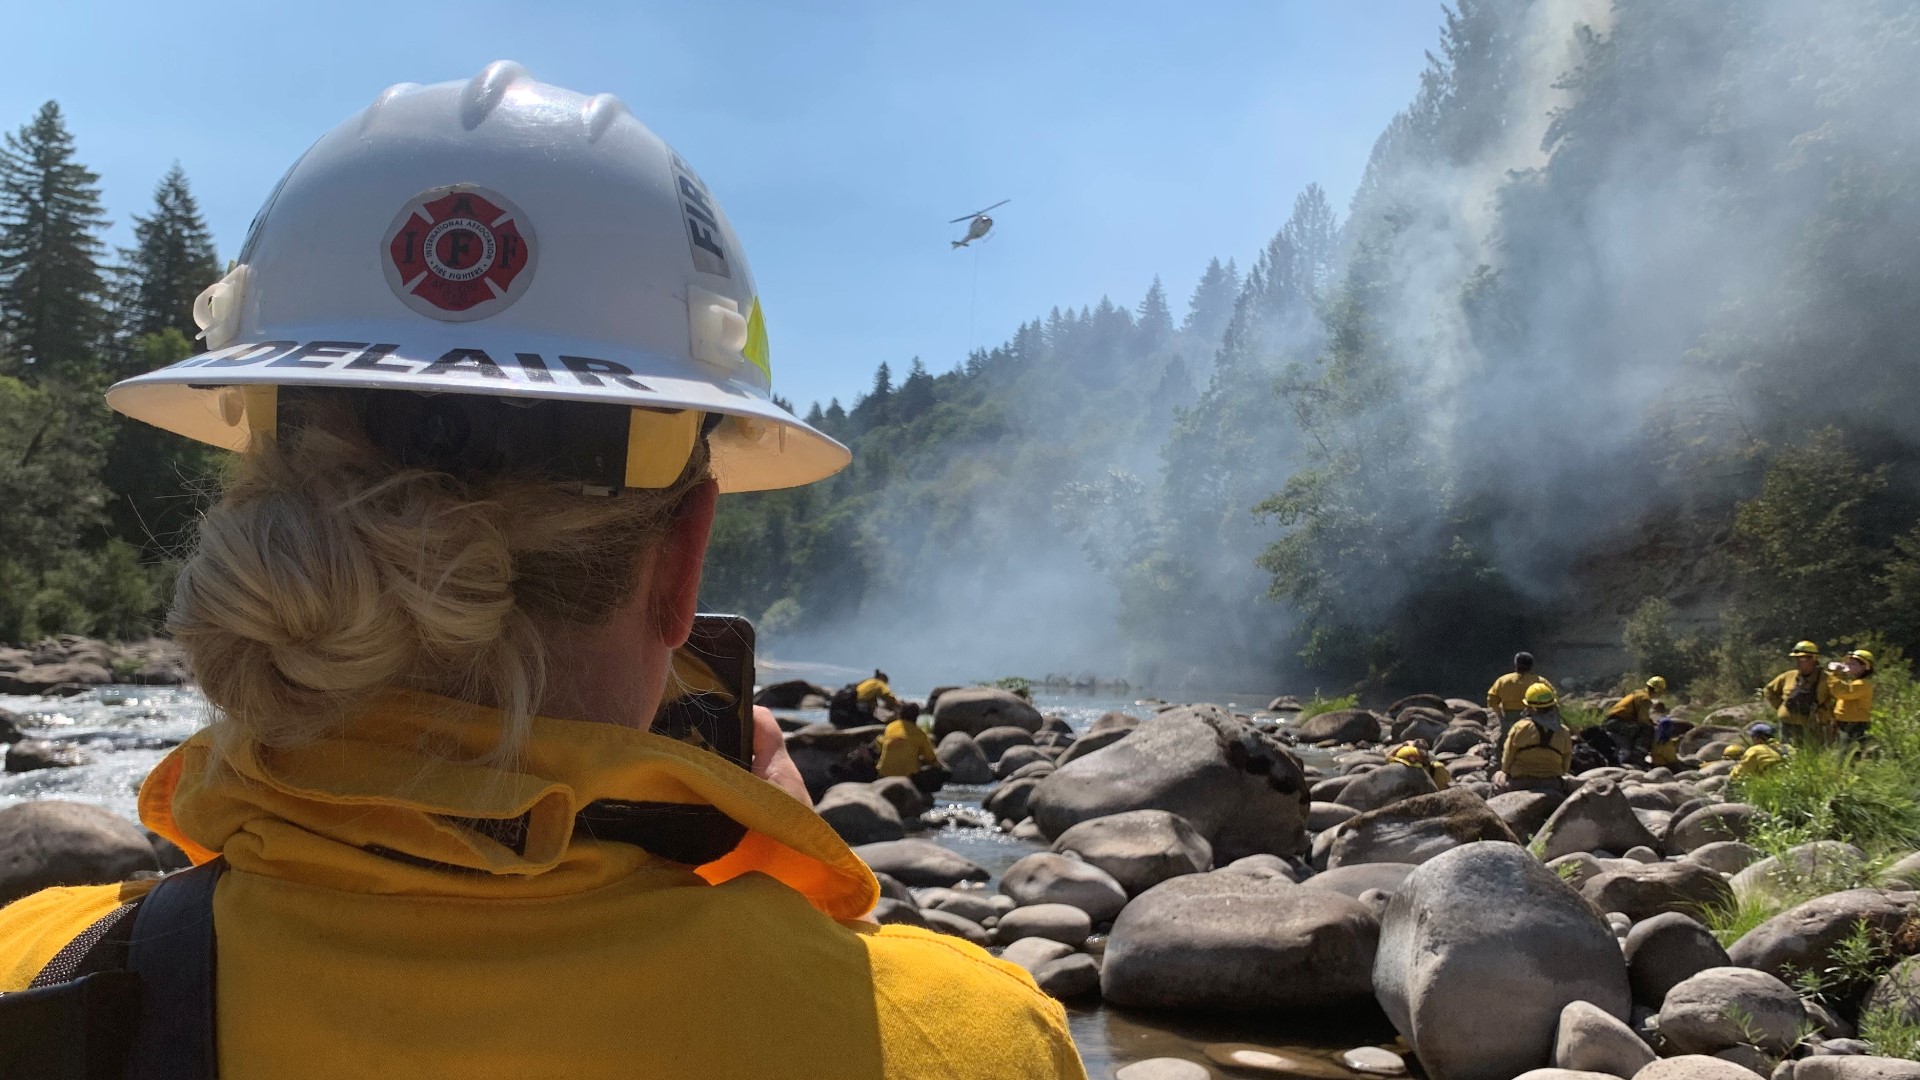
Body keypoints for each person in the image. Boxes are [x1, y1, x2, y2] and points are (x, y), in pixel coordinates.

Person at [0, 65, 1084, 1080]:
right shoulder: (967, 1042)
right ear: (683, 562)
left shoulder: (37, 978)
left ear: (264, 521)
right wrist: (798, 911)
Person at [1495, 682, 1573, 794]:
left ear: (1531, 708)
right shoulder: (1564, 731)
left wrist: (1505, 772)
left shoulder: (1520, 727)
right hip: (1552, 783)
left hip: (1520, 782)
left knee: (1497, 778)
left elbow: (1507, 759)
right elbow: (1566, 765)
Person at [1764, 640, 1836, 743]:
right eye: (1796, 658)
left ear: (1814, 658)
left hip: (1815, 726)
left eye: (1803, 658)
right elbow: (1768, 690)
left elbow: (1839, 698)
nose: (1798, 661)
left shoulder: (1828, 678)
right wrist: (1781, 706)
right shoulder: (1788, 676)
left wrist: (1828, 714)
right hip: (1788, 724)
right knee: (1788, 754)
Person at [875, 701, 947, 794]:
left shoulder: (890, 727)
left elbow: (881, 744)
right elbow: (931, 759)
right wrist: (944, 769)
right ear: (916, 717)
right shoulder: (920, 734)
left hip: (884, 774)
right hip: (906, 777)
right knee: (939, 772)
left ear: (900, 714)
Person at [1487, 652, 1554, 743]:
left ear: (1516, 664)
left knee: (1504, 744)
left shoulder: (1503, 681)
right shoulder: (1540, 681)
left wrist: (1500, 717)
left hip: (1510, 719)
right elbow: (1553, 700)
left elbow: (1492, 700)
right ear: (1532, 665)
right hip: (1535, 718)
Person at [1603, 675, 1665, 765]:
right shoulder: (1645, 699)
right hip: (1616, 723)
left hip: (1611, 722)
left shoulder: (1638, 693)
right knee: (1648, 730)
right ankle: (1637, 757)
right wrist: (1654, 726)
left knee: (1643, 727)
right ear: (1658, 691)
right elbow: (1642, 720)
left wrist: (1651, 722)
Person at [1828, 649, 1876, 746]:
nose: (1848, 666)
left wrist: (1836, 674)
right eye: (1848, 663)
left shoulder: (1862, 684)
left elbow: (1841, 692)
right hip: (1845, 722)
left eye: (1853, 664)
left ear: (1865, 667)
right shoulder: (1854, 683)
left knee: (1849, 754)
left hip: (1854, 724)